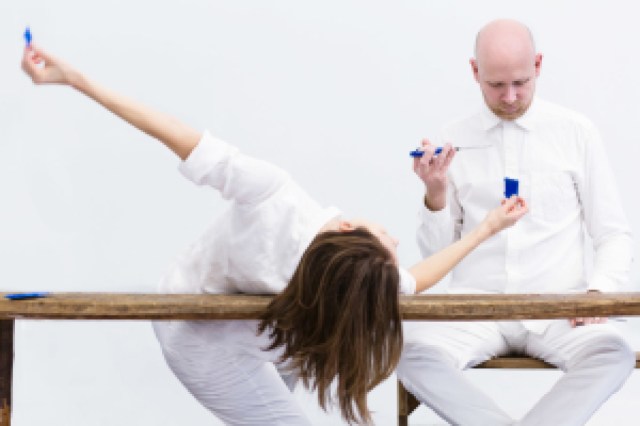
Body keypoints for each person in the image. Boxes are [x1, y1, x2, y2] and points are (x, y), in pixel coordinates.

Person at [21, 43, 527, 425]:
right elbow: (173, 131)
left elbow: (416, 278)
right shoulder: (272, 198)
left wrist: (486, 227)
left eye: (388, 242)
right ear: (344, 230)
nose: (394, 242)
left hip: (269, 334)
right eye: (390, 241)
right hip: (197, 329)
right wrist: (76, 80)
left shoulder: (353, 270)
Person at [397, 18, 635, 426]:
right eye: (496, 85)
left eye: (520, 83)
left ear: (538, 65)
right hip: (475, 308)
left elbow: (613, 233)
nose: (509, 97)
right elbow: (437, 255)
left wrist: (598, 293)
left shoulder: (576, 132)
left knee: (614, 352)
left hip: (560, 308)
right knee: (409, 354)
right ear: (475, 71)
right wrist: (435, 194)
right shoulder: (453, 138)